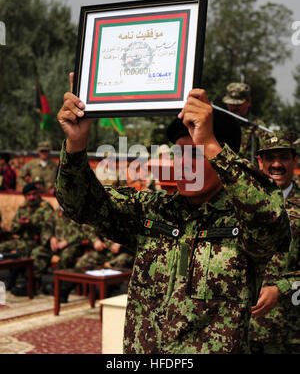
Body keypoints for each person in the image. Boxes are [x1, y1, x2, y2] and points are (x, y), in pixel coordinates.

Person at [55, 74, 290, 353]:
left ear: (222, 158)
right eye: (179, 154)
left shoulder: (243, 221)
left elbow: (272, 217)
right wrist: (76, 145)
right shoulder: (151, 210)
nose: (184, 164)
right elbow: (80, 204)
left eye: (197, 153)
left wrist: (211, 143)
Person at [250, 130, 300, 354]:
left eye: (283, 157)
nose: (277, 164)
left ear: (295, 160)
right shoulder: (243, 203)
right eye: (270, 158)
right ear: (260, 162)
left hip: (291, 333)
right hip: (244, 331)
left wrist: (281, 288)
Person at [0, 183, 54, 294]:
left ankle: (29, 285)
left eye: (34, 194)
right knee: (2, 247)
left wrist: (31, 223)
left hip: (37, 241)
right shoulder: (22, 207)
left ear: (38, 194)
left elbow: (49, 226)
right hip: (22, 240)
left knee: (32, 252)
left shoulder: (45, 207)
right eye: (28, 195)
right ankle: (10, 279)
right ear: (25, 196)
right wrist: (20, 224)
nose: (31, 197)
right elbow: (13, 228)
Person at [222, 82, 265, 165]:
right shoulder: (220, 123)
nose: (234, 107)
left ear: (248, 101)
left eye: (238, 104)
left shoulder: (257, 126)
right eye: (231, 104)